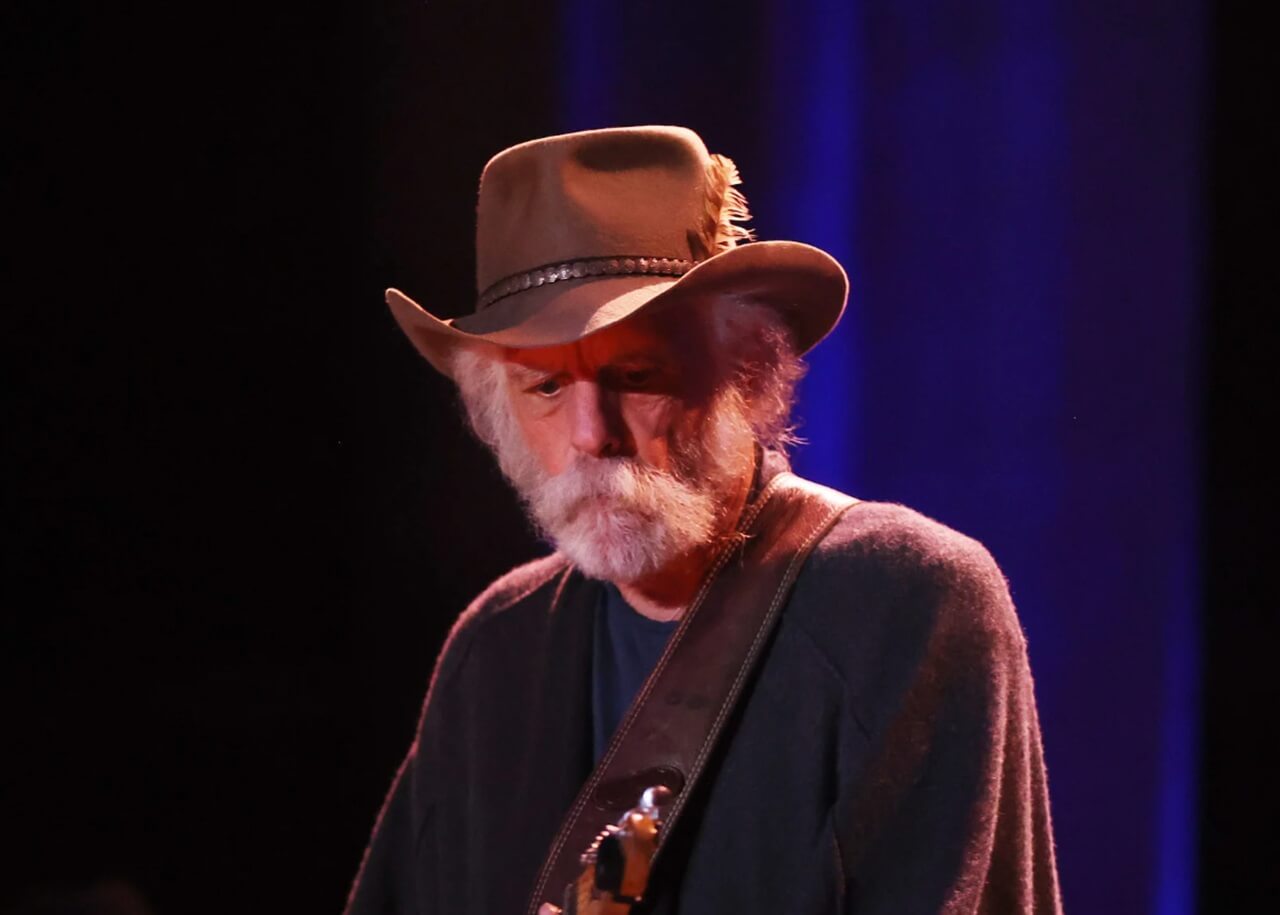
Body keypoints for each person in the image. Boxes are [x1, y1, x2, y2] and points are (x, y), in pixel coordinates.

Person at [345, 126, 1062, 914]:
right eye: (545, 387)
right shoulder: (495, 647)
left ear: (742, 371)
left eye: (636, 373)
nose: (592, 434)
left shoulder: (905, 601)